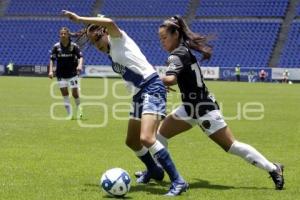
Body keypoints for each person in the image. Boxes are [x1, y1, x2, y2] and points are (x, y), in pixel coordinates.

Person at [136, 15, 284, 190]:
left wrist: (153, 80)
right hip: (190, 107)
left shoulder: (177, 54)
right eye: (160, 38)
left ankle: (274, 169)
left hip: (203, 109)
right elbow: (175, 79)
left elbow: (170, 79)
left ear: (175, 34)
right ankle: (156, 169)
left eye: (164, 37)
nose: (161, 42)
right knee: (159, 135)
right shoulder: (182, 50)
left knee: (231, 146)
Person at [62, 10, 188, 196]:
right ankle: (154, 170)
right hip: (141, 93)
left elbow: (111, 22)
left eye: (97, 39)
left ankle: (178, 181)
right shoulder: (112, 52)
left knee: (146, 138)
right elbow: (138, 64)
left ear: (105, 32)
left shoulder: (118, 38)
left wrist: (80, 19)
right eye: (92, 42)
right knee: (132, 141)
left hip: (150, 89)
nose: (96, 45)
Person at [49, 27, 84, 119]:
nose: (63, 35)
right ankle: (70, 115)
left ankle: (79, 110)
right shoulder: (56, 47)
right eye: (61, 34)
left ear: (68, 35)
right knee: (65, 94)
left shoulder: (74, 46)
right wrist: (50, 71)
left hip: (72, 74)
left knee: (75, 93)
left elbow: (80, 57)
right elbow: (52, 59)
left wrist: (80, 65)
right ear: (59, 35)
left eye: (65, 33)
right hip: (61, 74)